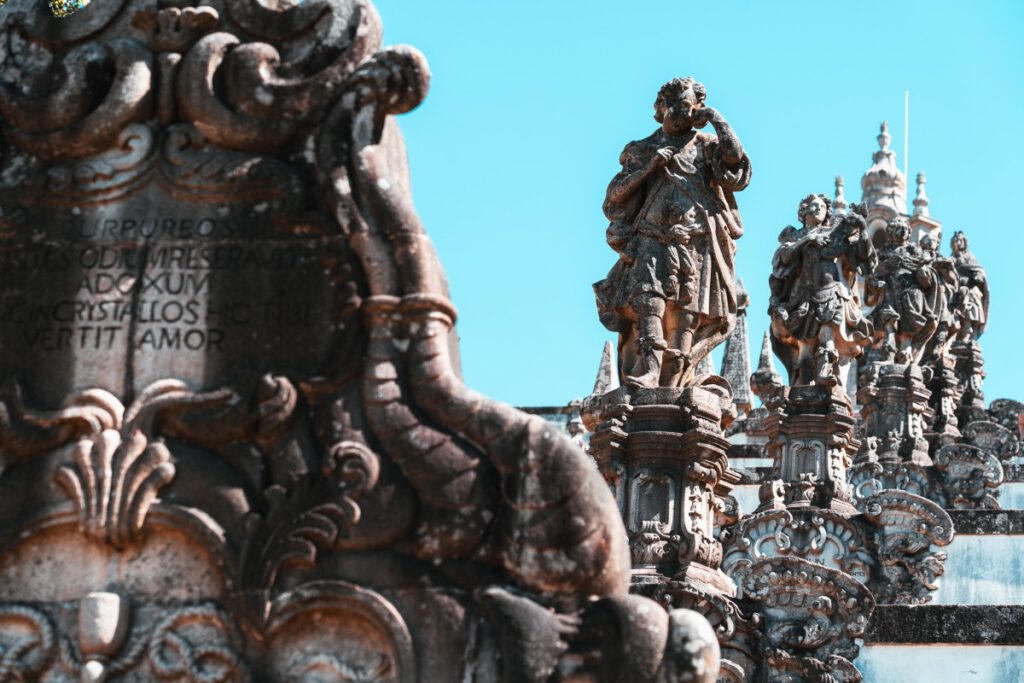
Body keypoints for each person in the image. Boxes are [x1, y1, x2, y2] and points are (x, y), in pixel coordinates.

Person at [594, 77, 751, 388]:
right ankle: (649, 368)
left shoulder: (706, 147)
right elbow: (615, 197)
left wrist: (717, 120)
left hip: (695, 239)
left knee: (686, 311)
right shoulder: (641, 149)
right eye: (675, 105)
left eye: (689, 105)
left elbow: (736, 166)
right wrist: (649, 168)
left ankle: (674, 376)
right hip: (650, 235)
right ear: (660, 108)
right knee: (648, 301)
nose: (682, 111)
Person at [768, 195, 874, 390]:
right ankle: (804, 385)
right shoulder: (795, 237)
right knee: (806, 346)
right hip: (803, 297)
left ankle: (826, 369)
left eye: (822, 207)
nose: (817, 210)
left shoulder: (836, 235)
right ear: (804, 212)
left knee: (828, 329)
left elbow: (864, 258)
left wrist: (863, 228)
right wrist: (808, 239)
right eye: (813, 206)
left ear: (827, 212)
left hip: (833, 292)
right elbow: (783, 260)